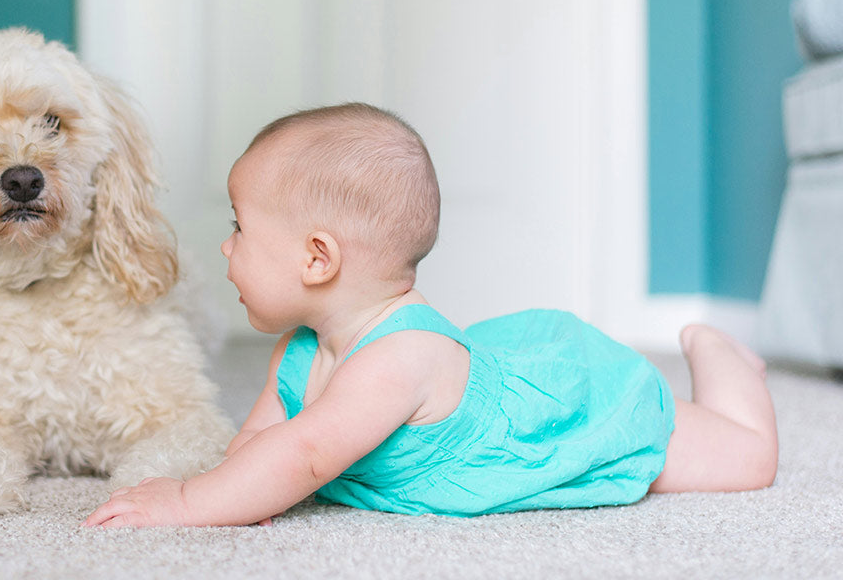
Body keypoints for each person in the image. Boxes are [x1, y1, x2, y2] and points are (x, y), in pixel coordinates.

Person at [83, 103, 779, 528]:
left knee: (747, 460)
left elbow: (303, 454)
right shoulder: (300, 349)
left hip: (560, 412)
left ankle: (720, 356)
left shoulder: (397, 360)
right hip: (481, 374)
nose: (226, 247)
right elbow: (263, 443)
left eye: (240, 228)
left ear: (317, 259)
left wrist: (187, 503)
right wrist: (236, 493)